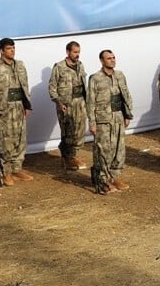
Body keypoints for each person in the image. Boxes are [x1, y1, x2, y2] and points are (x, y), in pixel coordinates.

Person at [0, 37, 33, 186]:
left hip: (18, 107)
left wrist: (26, 104)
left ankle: (17, 169)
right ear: (1, 51)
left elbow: (25, 85)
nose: (12, 50)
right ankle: (6, 173)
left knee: (20, 139)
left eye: (13, 48)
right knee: (4, 142)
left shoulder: (20, 65)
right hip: (2, 111)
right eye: (9, 48)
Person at [87, 50, 133, 194]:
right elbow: (90, 102)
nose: (112, 60)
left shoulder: (120, 75)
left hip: (118, 116)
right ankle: (102, 181)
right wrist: (92, 122)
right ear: (102, 61)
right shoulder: (95, 78)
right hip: (103, 120)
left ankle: (113, 177)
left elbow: (125, 95)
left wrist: (127, 114)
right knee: (103, 151)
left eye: (113, 58)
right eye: (109, 58)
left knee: (119, 149)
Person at [48, 41, 88, 171]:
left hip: (80, 102)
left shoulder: (80, 65)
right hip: (66, 105)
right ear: (68, 52)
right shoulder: (59, 67)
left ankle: (73, 155)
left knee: (80, 130)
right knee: (68, 131)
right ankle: (67, 157)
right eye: (75, 52)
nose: (77, 55)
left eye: (78, 52)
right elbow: (52, 87)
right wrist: (58, 102)